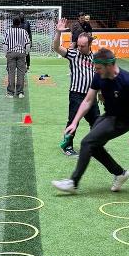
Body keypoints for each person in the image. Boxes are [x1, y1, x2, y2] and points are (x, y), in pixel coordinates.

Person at [52, 48, 129, 194]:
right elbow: (87, 101)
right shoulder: (99, 76)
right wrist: (74, 122)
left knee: (87, 143)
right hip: (108, 115)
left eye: (98, 68)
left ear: (109, 65)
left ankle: (73, 183)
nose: (95, 70)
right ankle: (120, 173)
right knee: (93, 146)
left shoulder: (128, 81)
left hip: (122, 121)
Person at [52, 18, 99, 157]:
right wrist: (58, 33)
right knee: (73, 121)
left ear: (89, 45)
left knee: (96, 122)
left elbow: (98, 76)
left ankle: (94, 146)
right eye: (78, 45)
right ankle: (67, 146)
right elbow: (56, 48)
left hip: (91, 96)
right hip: (76, 95)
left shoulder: (95, 58)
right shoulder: (73, 54)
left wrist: (101, 92)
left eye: (82, 46)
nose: (79, 48)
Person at [2, 16, 31, 98]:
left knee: (11, 72)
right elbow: (28, 44)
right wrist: (26, 53)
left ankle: (10, 93)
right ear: (19, 23)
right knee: (21, 73)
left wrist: (6, 54)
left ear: (12, 22)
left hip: (11, 53)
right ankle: (20, 92)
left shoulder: (8, 31)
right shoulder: (24, 31)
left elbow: (5, 44)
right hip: (21, 53)